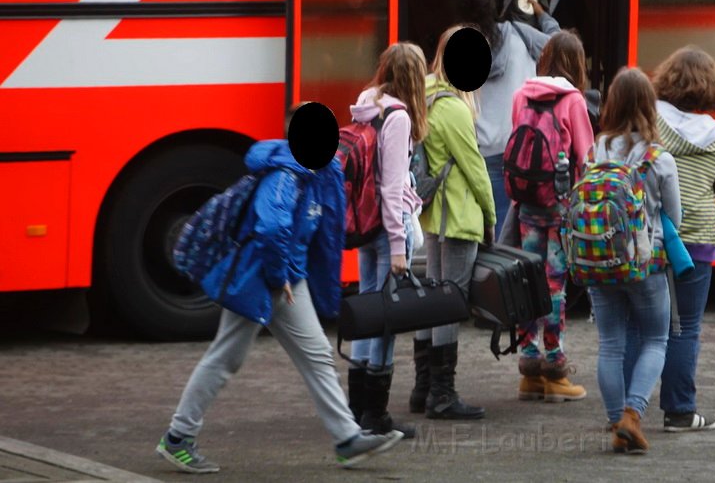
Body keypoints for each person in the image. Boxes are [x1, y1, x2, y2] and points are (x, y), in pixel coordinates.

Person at [155, 107, 402, 474]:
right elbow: (271, 228)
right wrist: (280, 277)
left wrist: (287, 277)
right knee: (227, 357)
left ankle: (348, 440)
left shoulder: (313, 172)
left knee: (314, 354)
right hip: (262, 278)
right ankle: (178, 438)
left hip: (284, 278)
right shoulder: (287, 175)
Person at [587, 67, 680, 454]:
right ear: (649, 106)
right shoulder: (660, 159)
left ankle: (615, 423)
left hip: (599, 260)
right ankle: (632, 415)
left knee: (611, 344)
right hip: (645, 263)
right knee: (656, 339)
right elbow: (676, 217)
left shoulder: (598, 149)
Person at [409, 25, 496, 420]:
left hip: (432, 215)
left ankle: (423, 387)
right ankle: (442, 394)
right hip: (458, 218)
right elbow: (476, 169)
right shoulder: (454, 108)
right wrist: (492, 216)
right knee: (449, 304)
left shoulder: (424, 96)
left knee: (431, 301)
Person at [649, 45, 715, 433]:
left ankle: (627, 409)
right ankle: (680, 411)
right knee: (685, 327)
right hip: (697, 239)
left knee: (642, 325)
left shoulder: (650, 121)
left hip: (652, 233)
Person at [347, 42, 428, 439]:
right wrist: (399, 247)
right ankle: (376, 415)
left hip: (363, 224)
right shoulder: (398, 117)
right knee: (385, 321)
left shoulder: (367, 101)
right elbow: (393, 188)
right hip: (387, 230)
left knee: (366, 311)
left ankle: (355, 408)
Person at [510, 30, 594, 402]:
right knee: (555, 283)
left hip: (527, 202)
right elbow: (586, 157)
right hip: (561, 206)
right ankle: (555, 366)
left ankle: (529, 367)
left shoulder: (521, 94)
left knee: (528, 279)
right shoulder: (573, 100)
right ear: (577, 63)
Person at [457, 0, 559, 233]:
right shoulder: (519, 35)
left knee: (480, 233)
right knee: (512, 238)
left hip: (477, 150)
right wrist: (542, 14)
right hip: (521, 148)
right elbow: (560, 45)